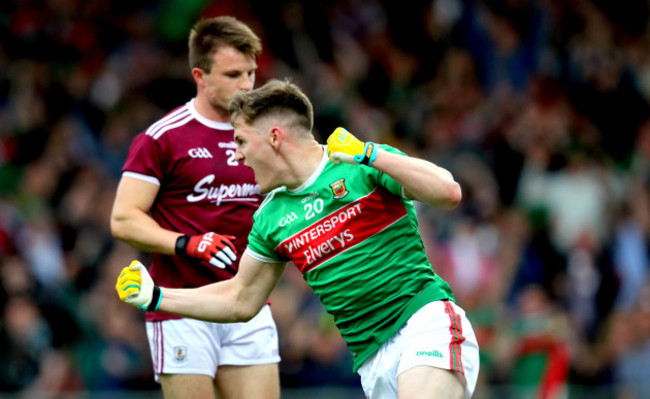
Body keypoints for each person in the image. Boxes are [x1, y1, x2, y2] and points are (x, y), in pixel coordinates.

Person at [115, 79, 480, 399]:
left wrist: (371, 154)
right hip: (370, 359)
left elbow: (447, 192)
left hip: (424, 323)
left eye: (241, 140)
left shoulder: (357, 162)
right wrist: (157, 296)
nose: (237, 154)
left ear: (274, 138)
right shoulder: (270, 217)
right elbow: (241, 299)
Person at [109, 17, 280, 399]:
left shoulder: (265, 136)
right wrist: (188, 243)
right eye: (234, 74)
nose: (247, 85)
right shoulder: (163, 138)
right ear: (200, 75)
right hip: (180, 307)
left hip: (246, 303)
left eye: (252, 73)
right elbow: (123, 219)